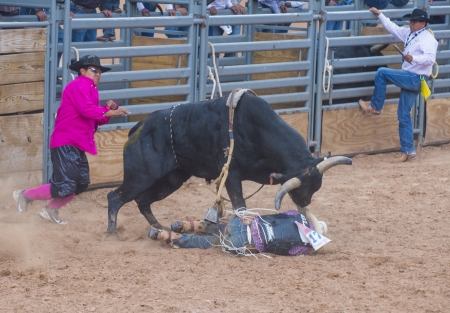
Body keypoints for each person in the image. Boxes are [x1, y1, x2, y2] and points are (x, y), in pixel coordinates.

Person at [13, 55, 130, 224]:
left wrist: (106, 109)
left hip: (74, 143)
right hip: (66, 141)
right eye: (94, 70)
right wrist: (110, 111)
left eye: (99, 71)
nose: (98, 74)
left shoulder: (89, 89)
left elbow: (95, 117)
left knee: (80, 183)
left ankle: (50, 209)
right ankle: (24, 195)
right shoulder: (79, 85)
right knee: (65, 186)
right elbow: (86, 111)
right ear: (82, 71)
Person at [358, 8, 438, 162]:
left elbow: (429, 59)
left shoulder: (428, 39)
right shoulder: (410, 33)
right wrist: (380, 14)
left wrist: (412, 58)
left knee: (382, 72)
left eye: (414, 21)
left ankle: (376, 106)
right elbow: (392, 27)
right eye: (411, 21)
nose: (411, 24)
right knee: (403, 114)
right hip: (415, 79)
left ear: (423, 23)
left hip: (414, 77)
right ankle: (408, 150)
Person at [148, 209, 329, 256]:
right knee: (210, 243)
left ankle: (190, 225)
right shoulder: (305, 246)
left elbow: (272, 216)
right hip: (243, 245)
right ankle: (172, 238)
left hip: (241, 226)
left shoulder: (294, 215)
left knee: (223, 227)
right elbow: (288, 252)